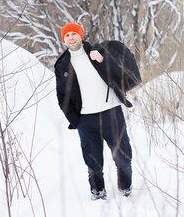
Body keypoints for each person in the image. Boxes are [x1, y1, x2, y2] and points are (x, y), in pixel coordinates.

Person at [54, 22, 133, 200]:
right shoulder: (62, 65)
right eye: (67, 35)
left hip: (111, 112)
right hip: (86, 120)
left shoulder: (98, 51)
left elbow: (119, 75)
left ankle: (125, 187)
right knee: (93, 161)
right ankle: (98, 192)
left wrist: (103, 61)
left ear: (81, 35)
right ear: (63, 40)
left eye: (74, 33)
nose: (71, 37)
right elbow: (62, 96)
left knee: (123, 155)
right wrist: (76, 119)